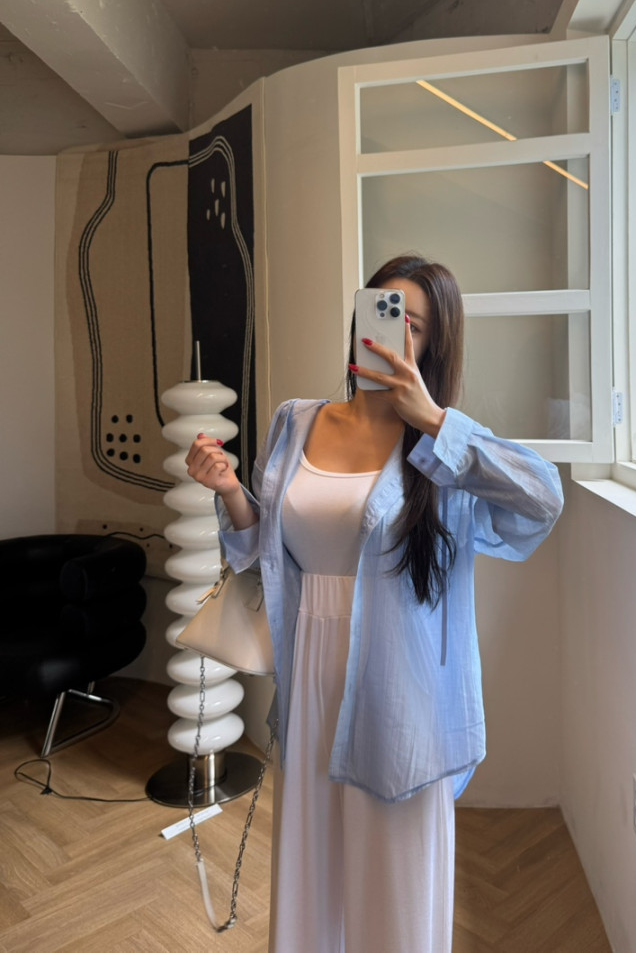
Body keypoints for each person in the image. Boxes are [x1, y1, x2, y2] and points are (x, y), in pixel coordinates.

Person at [185, 253, 564, 953]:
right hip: (310, 687)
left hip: (401, 702)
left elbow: (542, 501)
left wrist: (437, 421)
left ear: (433, 346)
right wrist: (230, 489)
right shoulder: (295, 422)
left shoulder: (442, 451)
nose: (391, 334)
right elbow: (263, 553)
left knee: (396, 898)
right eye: (381, 311)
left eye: (411, 325)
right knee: (313, 884)